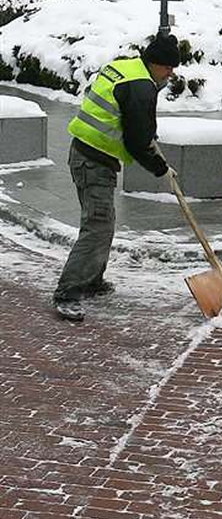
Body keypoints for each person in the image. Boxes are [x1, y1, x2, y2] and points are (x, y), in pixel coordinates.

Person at [52, 33, 182, 323]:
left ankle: (92, 280)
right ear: (155, 63)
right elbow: (137, 141)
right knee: (97, 225)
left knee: (103, 223)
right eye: (168, 68)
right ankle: (68, 292)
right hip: (92, 160)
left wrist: (146, 129)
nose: (171, 74)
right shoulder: (140, 86)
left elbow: (133, 119)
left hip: (89, 153)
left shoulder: (126, 67)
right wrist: (160, 168)